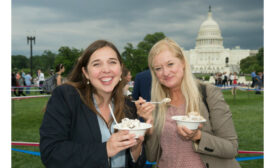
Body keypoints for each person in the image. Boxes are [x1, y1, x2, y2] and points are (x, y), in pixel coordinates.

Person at [135, 38, 240, 168]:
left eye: (170, 64)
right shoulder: (158, 103)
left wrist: (198, 136)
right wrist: (149, 128)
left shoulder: (209, 94)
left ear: (183, 62)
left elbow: (231, 148)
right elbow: (152, 156)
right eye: (158, 68)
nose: (165, 73)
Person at [40, 40, 146, 168]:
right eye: (97, 64)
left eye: (112, 62)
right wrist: (105, 149)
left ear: (120, 68)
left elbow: (135, 163)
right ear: (86, 72)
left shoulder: (128, 106)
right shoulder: (66, 97)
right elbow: (51, 153)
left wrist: (136, 149)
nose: (106, 70)